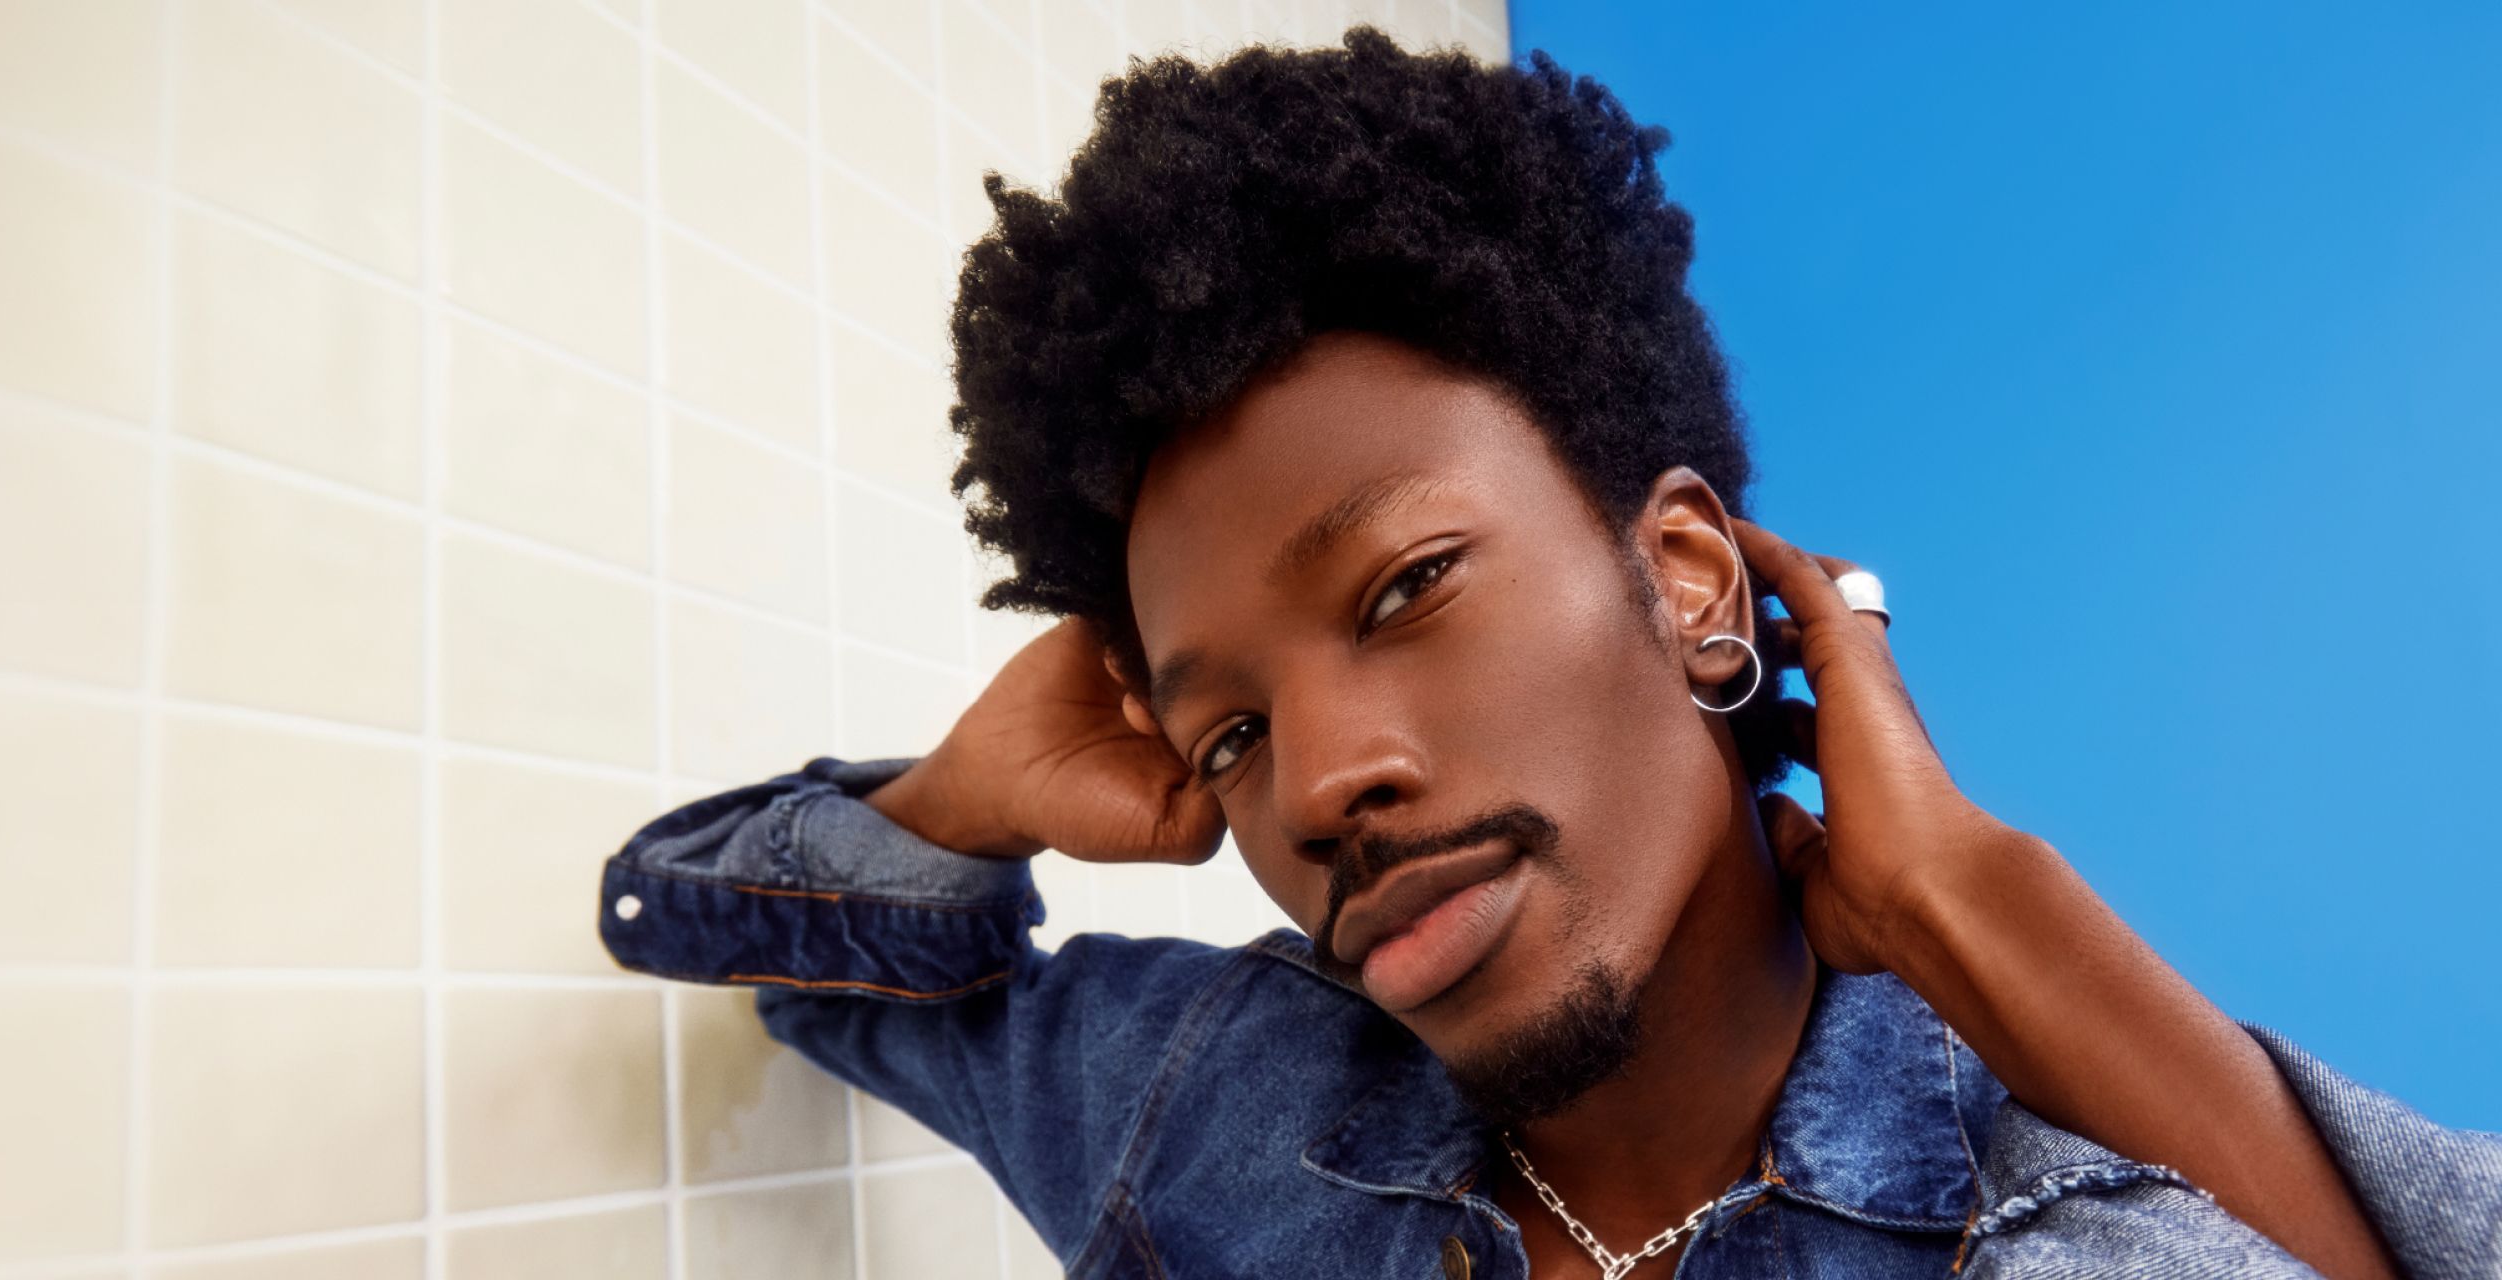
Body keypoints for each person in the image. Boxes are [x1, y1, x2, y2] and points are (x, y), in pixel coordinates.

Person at [599, 28, 2499, 1279]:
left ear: (1682, 575)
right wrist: (951, 809)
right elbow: (705, 933)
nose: (1325, 783)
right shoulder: (1206, 1102)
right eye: (1236, 731)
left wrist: (1971, 899)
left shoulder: (2071, 1243)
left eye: (1407, 585)